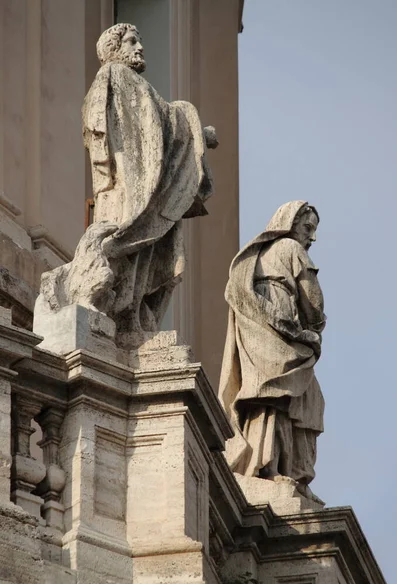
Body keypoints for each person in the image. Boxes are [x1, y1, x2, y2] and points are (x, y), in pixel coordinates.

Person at [82, 24, 216, 345]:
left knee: (148, 246)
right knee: (123, 237)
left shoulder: (138, 85)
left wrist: (191, 124)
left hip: (145, 183)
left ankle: (132, 311)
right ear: (113, 48)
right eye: (131, 41)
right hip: (126, 183)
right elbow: (99, 124)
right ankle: (115, 304)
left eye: (140, 41)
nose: (140, 47)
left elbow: (163, 119)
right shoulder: (113, 76)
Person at [219, 201, 326, 499]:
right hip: (279, 324)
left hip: (261, 325)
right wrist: (316, 327)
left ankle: (287, 469)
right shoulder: (290, 249)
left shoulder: (259, 260)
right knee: (277, 393)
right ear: (289, 224)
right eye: (308, 228)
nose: (312, 237)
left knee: (298, 396)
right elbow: (312, 298)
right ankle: (269, 467)